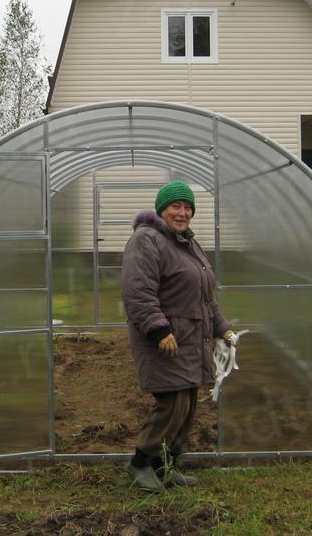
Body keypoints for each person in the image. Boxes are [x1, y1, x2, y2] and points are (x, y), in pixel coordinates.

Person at [121, 180, 238, 491]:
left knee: (186, 405)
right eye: (176, 206)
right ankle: (140, 464)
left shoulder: (187, 242)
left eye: (187, 207)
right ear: (162, 209)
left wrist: (222, 326)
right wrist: (159, 328)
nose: (182, 212)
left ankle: (165, 466)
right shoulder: (147, 240)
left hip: (191, 337)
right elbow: (137, 290)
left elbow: (204, 296)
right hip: (165, 339)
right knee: (170, 404)